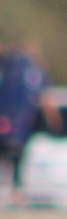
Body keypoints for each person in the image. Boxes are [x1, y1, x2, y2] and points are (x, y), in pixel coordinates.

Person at [0, 40, 57, 203]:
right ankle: (16, 190)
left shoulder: (28, 70)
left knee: (16, 156)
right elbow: (46, 98)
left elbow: (45, 97)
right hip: (15, 124)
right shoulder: (16, 68)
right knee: (15, 155)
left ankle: (16, 190)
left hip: (18, 125)